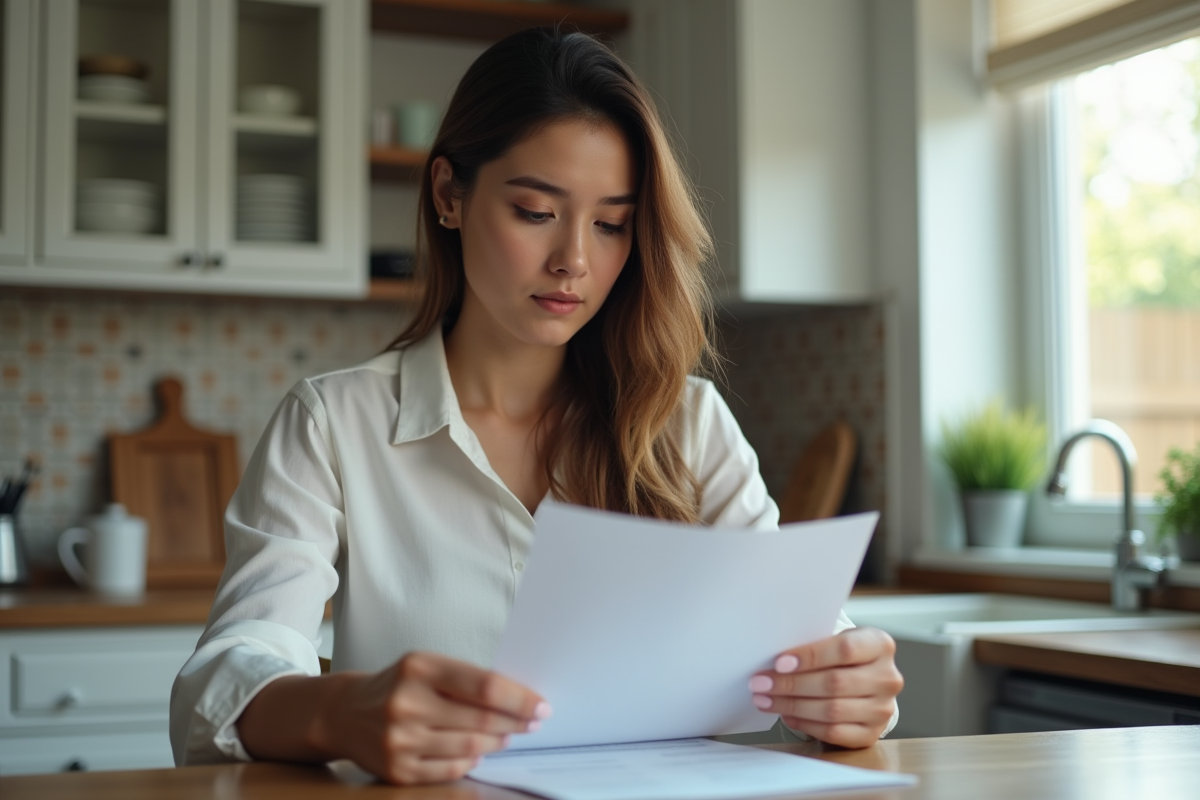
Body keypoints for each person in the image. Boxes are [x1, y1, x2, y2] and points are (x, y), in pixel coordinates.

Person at [170, 27, 902, 785]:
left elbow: (807, 639)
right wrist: (338, 711)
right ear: (450, 194)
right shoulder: (332, 424)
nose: (575, 262)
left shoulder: (689, 423)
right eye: (535, 211)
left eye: (612, 224)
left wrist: (848, 688)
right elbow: (220, 683)